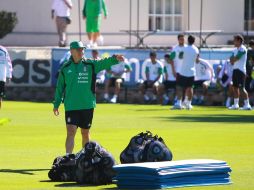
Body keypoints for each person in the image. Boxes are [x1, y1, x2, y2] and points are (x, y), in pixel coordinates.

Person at [53, 41, 124, 154]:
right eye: (79, 49)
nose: (82, 51)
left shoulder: (91, 64)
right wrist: (56, 104)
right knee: (71, 132)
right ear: (72, 51)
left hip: (87, 105)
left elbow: (103, 63)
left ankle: (85, 157)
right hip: (71, 105)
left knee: (85, 133)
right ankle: (68, 157)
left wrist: (114, 59)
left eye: (83, 49)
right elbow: (60, 87)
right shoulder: (65, 68)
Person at [172, 35, 199, 110]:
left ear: (187, 40)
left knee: (179, 87)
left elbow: (180, 57)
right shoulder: (196, 49)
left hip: (183, 71)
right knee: (190, 88)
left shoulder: (184, 49)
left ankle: (178, 103)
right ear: (194, 41)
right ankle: (189, 104)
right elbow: (197, 60)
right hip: (192, 72)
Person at [229, 35, 252, 110]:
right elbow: (231, 60)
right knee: (235, 88)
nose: (234, 41)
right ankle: (236, 105)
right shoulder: (234, 50)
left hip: (241, 71)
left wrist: (233, 59)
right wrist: (233, 59)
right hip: (235, 70)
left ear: (239, 41)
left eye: (235, 40)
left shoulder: (243, 49)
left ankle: (247, 105)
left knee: (242, 88)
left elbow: (236, 58)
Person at [170, 34, 187, 105]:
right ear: (178, 40)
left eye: (183, 39)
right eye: (180, 39)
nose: (182, 40)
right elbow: (171, 60)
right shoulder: (175, 48)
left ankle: (185, 101)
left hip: (187, 71)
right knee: (179, 87)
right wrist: (173, 70)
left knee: (186, 87)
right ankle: (179, 102)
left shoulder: (187, 48)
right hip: (178, 71)